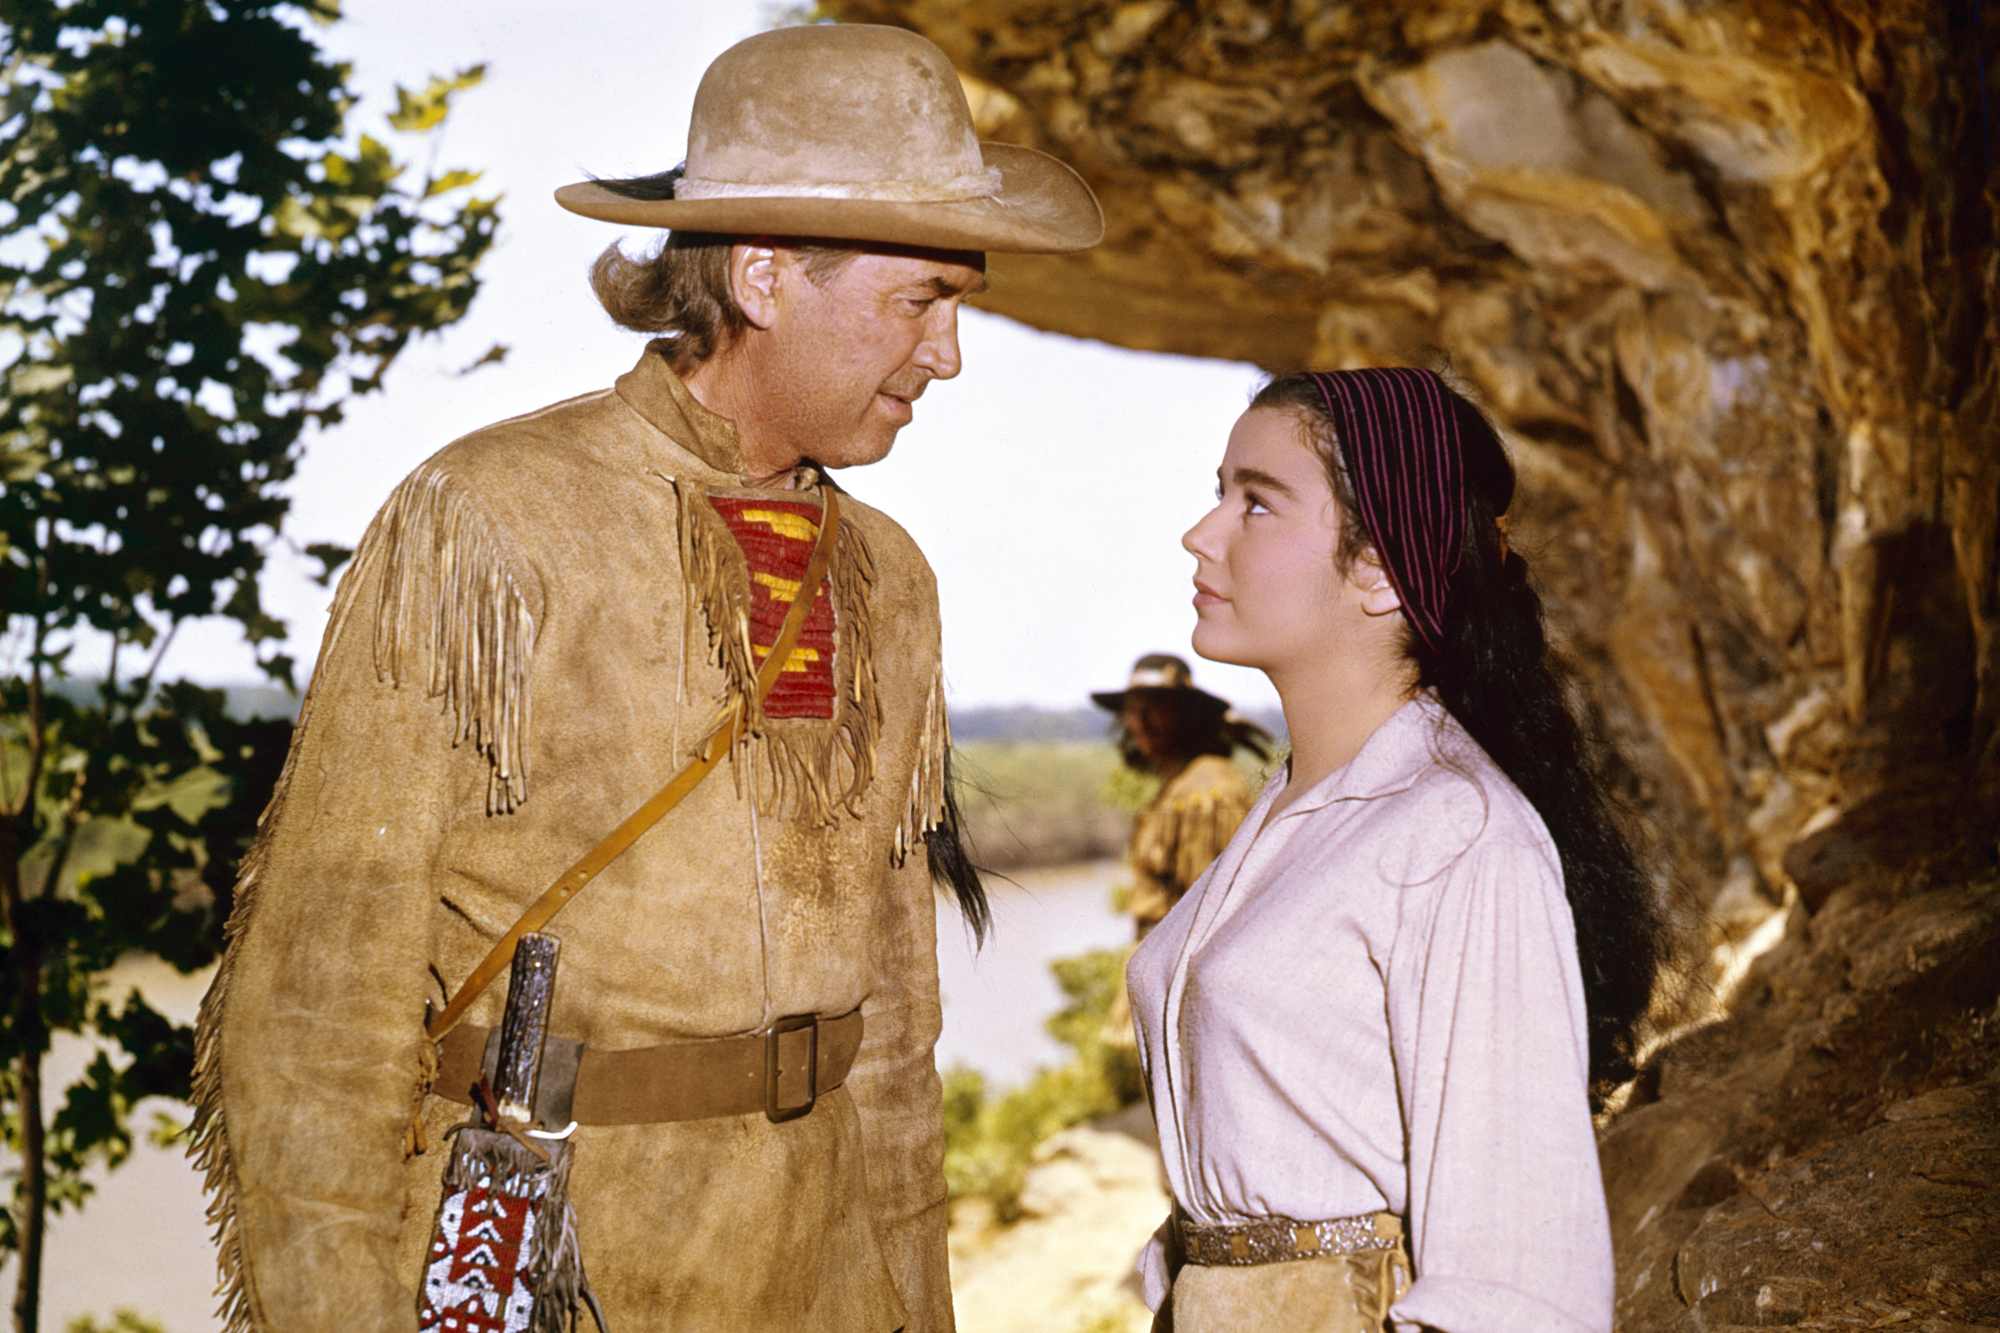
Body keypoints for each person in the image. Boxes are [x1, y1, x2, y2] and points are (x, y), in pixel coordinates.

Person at [188, 24, 1100, 1332]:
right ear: (768, 274)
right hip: (555, 1266)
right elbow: (318, 1011)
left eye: (959, 303)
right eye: (923, 301)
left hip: (826, 1270)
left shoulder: (889, 576)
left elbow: (896, 1035)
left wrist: (917, 1295)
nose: (947, 355)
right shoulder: (487, 522)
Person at [1127, 368, 1669, 1332]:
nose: (1202, 534)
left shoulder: (1456, 833)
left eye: (1257, 501)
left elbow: (1519, 1281)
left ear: (1381, 564)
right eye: (1219, 493)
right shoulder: (1294, 811)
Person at [1089, 654, 1271, 941]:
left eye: (1158, 707)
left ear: (1188, 714)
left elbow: (1213, 919)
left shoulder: (1208, 792)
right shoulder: (1177, 785)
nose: (1143, 721)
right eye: (1135, 709)